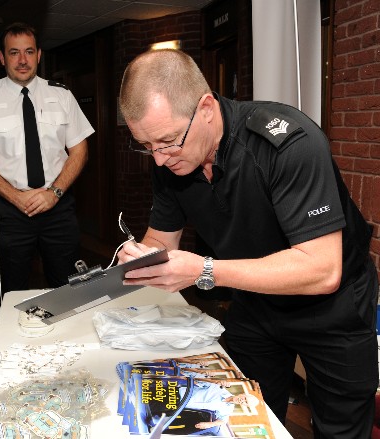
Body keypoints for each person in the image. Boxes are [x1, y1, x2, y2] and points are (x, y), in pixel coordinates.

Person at [117, 49, 378, 438]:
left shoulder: (289, 144)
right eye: (146, 145)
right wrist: (139, 257)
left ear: (206, 108)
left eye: (168, 141)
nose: (159, 159)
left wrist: (205, 270)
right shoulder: (170, 159)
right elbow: (161, 240)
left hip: (333, 308)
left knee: (341, 429)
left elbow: (322, 270)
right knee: (242, 418)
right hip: (255, 301)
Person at [0, 22, 94, 299]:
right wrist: (16, 197)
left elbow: (80, 150)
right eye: (14, 52)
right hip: (11, 212)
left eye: (29, 52)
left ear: (39, 54)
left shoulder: (62, 95)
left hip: (58, 208)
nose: (22, 60)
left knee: (69, 290)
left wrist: (54, 194)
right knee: (12, 291)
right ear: (2, 57)